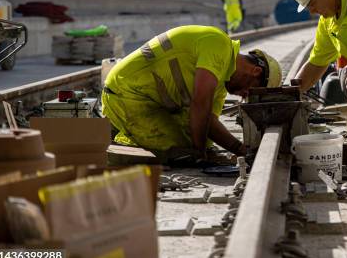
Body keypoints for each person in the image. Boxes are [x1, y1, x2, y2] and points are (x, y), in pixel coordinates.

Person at [102, 25, 282, 161]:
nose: (243, 95)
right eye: (248, 91)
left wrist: (240, 149)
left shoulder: (221, 82)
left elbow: (209, 121)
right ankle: (113, 148)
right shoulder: (219, 44)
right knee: (182, 152)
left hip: (150, 100)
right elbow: (200, 102)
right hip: (127, 93)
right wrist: (199, 153)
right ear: (256, 72)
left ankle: (125, 134)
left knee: (203, 141)